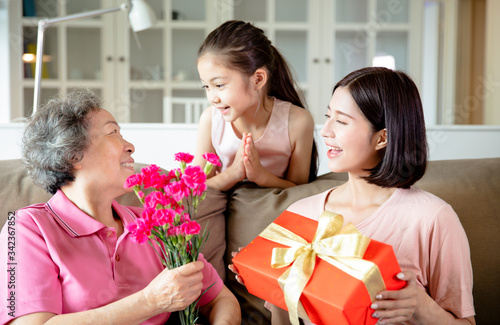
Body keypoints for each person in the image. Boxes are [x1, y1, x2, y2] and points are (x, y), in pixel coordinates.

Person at [231, 67, 475, 325]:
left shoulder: (432, 218)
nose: (325, 131)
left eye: (342, 121)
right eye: (328, 116)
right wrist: (268, 280)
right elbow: (284, 318)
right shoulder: (302, 214)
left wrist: (420, 305)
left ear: (382, 138)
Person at [0, 89, 241, 325]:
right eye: (113, 132)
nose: (130, 146)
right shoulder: (26, 228)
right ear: (72, 155)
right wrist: (151, 301)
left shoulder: (154, 226)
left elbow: (219, 298)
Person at [194, 20, 318, 191]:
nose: (212, 98)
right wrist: (233, 174)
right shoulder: (210, 119)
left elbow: (299, 188)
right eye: (206, 86)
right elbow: (194, 188)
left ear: (258, 79)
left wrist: (261, 176)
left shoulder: (298, 121)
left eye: (219, 85)